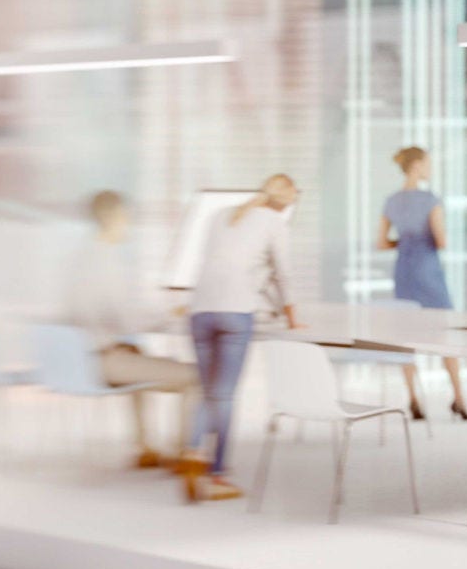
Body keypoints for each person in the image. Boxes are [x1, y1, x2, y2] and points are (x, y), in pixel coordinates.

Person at [177, 174, 301, 502]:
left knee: (208, 391)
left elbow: (218, 264)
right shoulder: (275, 223)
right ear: (287, 197)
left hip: (200, 310)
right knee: (224, 395)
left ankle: (192, 450)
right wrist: (292, 318)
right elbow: (284, 274)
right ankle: (216, 475)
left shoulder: (221, 216)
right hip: (235, 313)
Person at [66, 190, 200, 468]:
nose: (129, 223)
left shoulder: (80, 257)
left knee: (138, 355)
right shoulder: (106, 261)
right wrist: (170, 313)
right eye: (126, 217)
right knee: (195, 377)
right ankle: (185, 455)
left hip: (80, 359)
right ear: (113, 217)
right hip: (104, 362)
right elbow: (129, 320)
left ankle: (145, 447)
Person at [378, 146, 467, 420]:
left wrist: (405, 242)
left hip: (404, 272)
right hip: (428, 272)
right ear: (417, 165)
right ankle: (459, 399)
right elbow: (441, 240)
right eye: (428, 163)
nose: (430, 168)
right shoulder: (430, 199)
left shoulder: (391, 201)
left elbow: (381, 242)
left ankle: (414, 400)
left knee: (405, 336)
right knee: (446, 334)